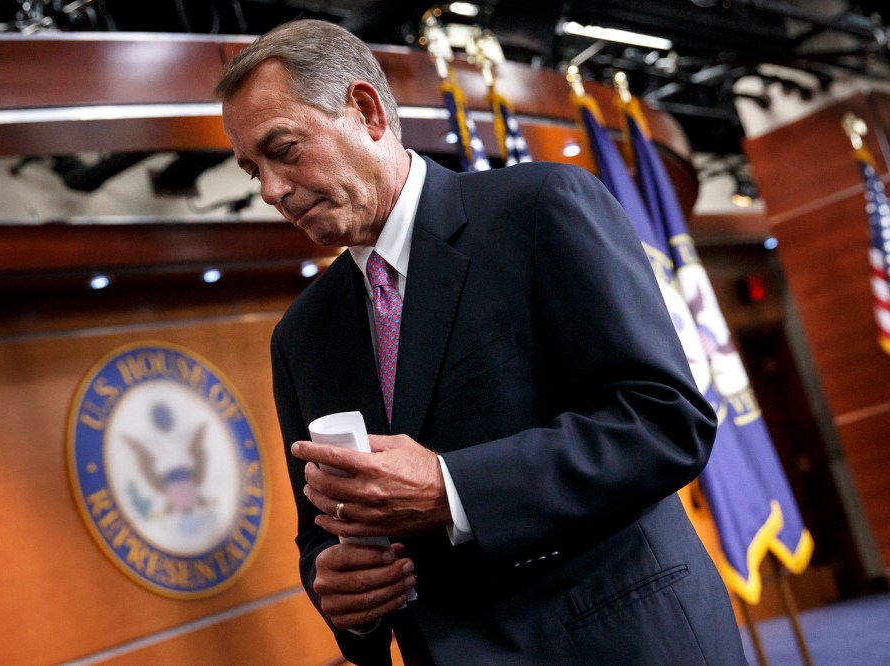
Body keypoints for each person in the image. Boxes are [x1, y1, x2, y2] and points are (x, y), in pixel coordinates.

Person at [216, 18, 746, 666]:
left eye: (284, 149)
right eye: (253, 171)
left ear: (366, 110)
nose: (271, 190)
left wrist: (453, 488)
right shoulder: (300, 339)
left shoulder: (539, 207)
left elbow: (665, 422)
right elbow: (320, 536)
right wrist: (340, 591)